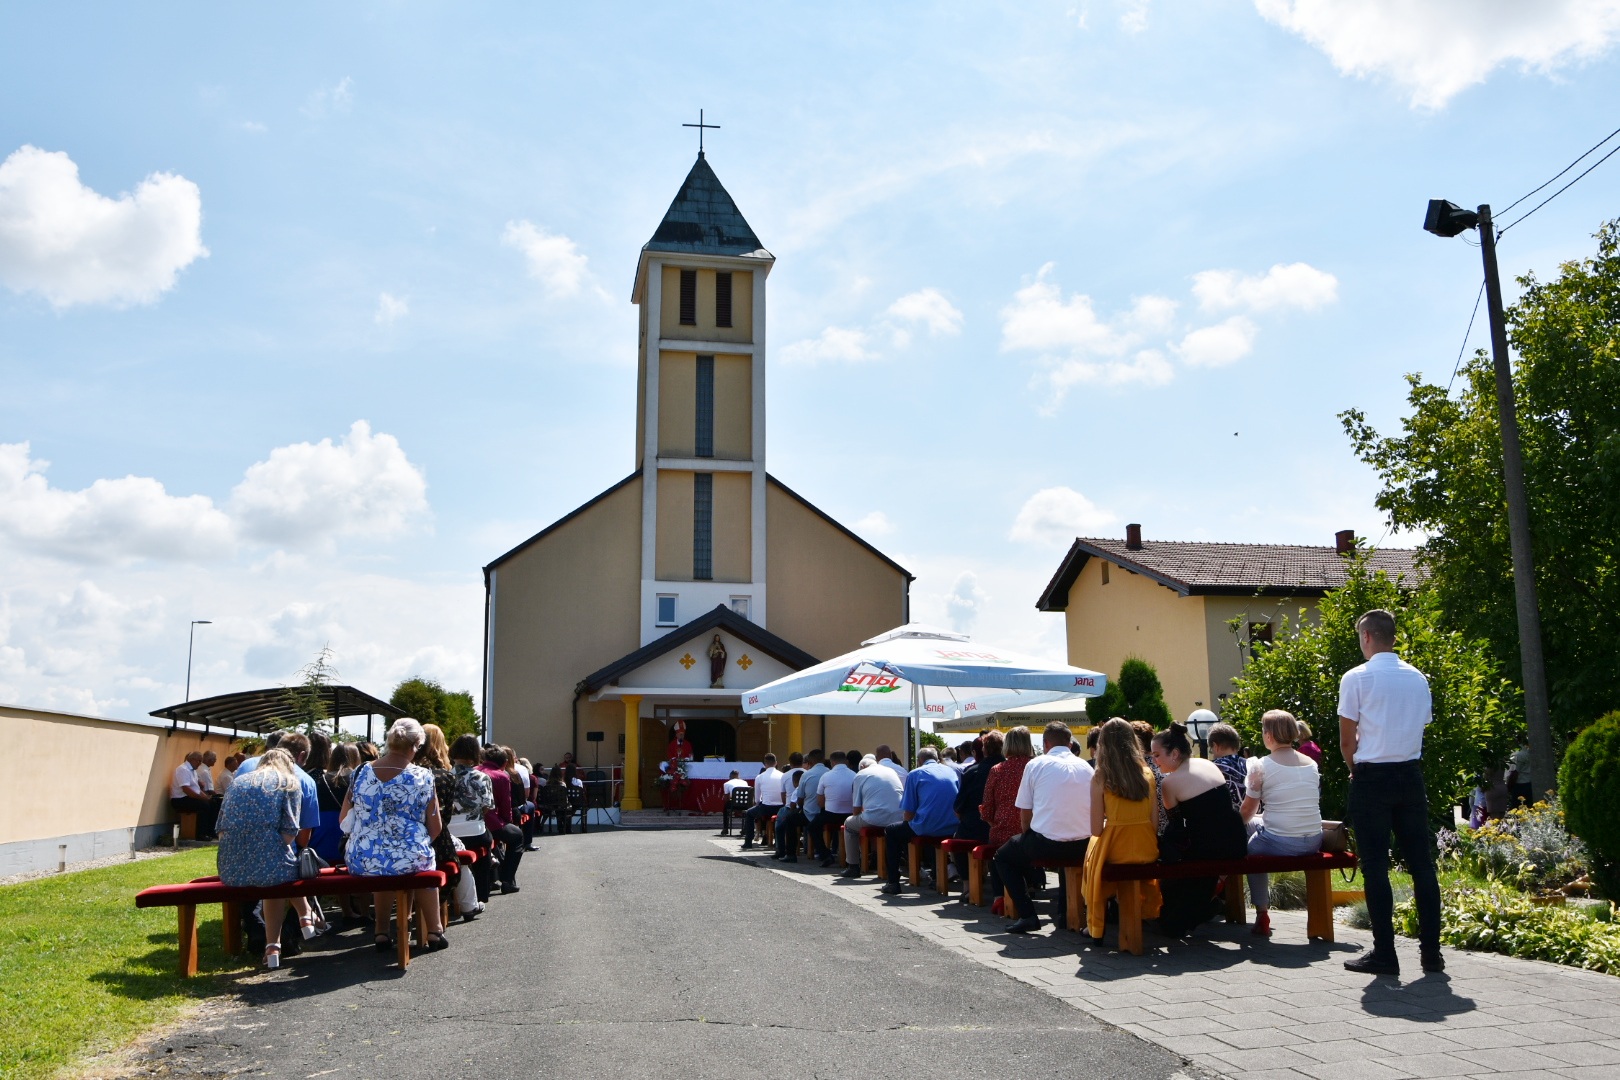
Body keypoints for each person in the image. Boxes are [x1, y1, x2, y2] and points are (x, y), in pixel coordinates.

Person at [1339, 608, 1443, 975]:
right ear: (1392, 636)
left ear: (1366, 636)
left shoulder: (1356, 678)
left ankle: (1385, 953)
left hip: (1372, 776)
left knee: (1376, 868)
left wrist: (1356, 771)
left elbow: (1347, 740)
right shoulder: (1417, 678)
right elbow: (1420, 725)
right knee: (1422, 865)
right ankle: (1432, 953)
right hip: (1410, 774)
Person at [341, 717, 448, 953]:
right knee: (421, 860)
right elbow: (436, 826)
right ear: (417, 744)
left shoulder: (360, 772)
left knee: (382, 860)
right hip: (410, 854)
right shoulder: (423, 776)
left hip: (363, 856)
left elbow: (343, 820)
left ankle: (381, 931)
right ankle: (434, 930)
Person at [992, 722, 1093, 933]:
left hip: (1046, 844)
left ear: (1045, 743)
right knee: (1067, 858)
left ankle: (1028, 915)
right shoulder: (1086, 767)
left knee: (1002, 857)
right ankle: (1065, 915)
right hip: (1083, 845)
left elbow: (1025, 811)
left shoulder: (1036, 765)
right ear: (1070, 742)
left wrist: (1027, 836)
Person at [1152, 723, 1247, 938]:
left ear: (1175, 753)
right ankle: (1203, 907)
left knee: (1169, 864)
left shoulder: (1170, 783)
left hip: (1209, 847)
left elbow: (1175, 826)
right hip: (1235, 839)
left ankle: (1195, 911)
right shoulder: (1207, 763)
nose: (1155, 761)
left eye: (1157, 755)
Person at [215, 748, 302, 968]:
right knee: (286, 872)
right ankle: (291, 929)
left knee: (273, 872)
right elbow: (289, 834)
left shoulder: (236, 782)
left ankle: (275, 944)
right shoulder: (289, 782)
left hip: (230, 870)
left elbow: (220, 830)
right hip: (272, 869)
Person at [1241, 710, 1322, 938]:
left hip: (1281, 841)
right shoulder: (1311, 764)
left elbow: (1248, 810)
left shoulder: (1260, 766)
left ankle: (1261, 911)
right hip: (1314, 840)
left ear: (1268, 736)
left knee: (1250, 847)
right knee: (1257, 824)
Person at [1081, 718, 1162, 943]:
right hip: (1146, 847)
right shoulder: (1147, 774)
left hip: (1117, 848)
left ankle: (1095, 923)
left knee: (1091, 850)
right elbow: (1154, 823)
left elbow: (1096, 829)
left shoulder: (1100, 776)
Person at [881, 748, 960, 894]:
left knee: (892, 831)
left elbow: (909, 812)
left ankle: (893, 881)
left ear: (919, 761)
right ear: (937, 758)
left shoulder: (916, 774)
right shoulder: (951, 772)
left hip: (928, 827)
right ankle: (935, 876)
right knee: (926, 828)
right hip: (953, 826)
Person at [980, 726, 1035, 912]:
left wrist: (992, 820)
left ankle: (999, 896)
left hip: (1003, 829)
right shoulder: (1036, 767)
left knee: (997, 846)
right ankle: (1031, 884)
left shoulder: (997, 770)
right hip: (1033, 829)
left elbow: (987, 808)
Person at [448, 734, 496, 905]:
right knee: (487, 842)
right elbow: (487, 807)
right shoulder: (482, 778)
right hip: (474, 831)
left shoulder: (444, 777)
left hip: (450, 834)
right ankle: (482, 895)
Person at [840, 754, 905, 876]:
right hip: (898, 817)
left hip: (875, 818)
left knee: (849, 824)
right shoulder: (891, 771)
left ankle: (853, 866)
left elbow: (856, 809)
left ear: (863, 766)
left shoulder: (861, 774)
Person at [950, 735, 995, 888]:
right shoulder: (1011, 769)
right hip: (1007, 827)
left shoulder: (971, 772)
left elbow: (958, 808)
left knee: (959, 841)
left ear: (978, 752)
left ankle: (968, 885)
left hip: (976, 827)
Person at [479, 746, 524, 892]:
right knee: (517, 836)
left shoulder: (475, 770)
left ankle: (496, 874)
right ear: (504, 763)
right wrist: (507, 822)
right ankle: (507, 880)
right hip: (491, 821)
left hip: (475, 822)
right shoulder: (501, 776)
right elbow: (506, 804)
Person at [170, 751, 218, 840]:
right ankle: (200, 834)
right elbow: (186, 789)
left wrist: (207, 797)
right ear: (192, 760)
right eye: (199, 761)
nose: (200, 764)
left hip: (188, 797)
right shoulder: (183, 769)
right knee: (204, 805)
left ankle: (210, 831)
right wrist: (203, 798)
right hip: (179, 799)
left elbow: (197, 789)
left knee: (214, 803)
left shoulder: (193, 770)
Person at [818, 752, 856, 861]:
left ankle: (825, 853)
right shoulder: (854, 775)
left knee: (813, 827)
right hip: (850, 815)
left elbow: (820, 801)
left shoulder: (826, 776)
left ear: (832, 762)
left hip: (831, 815)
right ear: (846, 761)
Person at [741, 753, 782, 849]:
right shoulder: (782, 775)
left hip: (767, 807)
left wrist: (758, 805)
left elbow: (757, 799)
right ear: (776, 763)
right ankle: (778, 841)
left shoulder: (760, 777)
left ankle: (748, 841)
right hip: (781, 807)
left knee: (750, 813)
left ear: (765, 764)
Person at [1207, 723, 1248, 814]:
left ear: (1215, 746)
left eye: (1211, 749)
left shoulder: (1211, 768)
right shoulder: (1251, 765)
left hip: (1224, 823)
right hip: (1253, 822)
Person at [1506, 740, 1533, 807]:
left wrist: (1509, 786)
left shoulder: (1519, 755)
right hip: (1529, 782)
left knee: (1518, 806)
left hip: (1520, 784)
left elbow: (1515, 772)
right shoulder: (1530, 752)